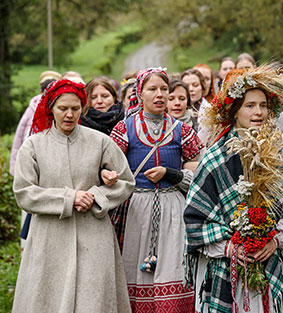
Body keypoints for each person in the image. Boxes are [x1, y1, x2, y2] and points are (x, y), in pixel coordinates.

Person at [184, 65, 283, 313]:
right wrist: (231, 247)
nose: (258, 112)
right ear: (235, 111)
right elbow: (195, 221)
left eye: (263, 105)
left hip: (271, 259)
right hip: (227, 266)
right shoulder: (214, 159)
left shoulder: (279, 156)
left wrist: (274, 239)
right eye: (250, 105)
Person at [12, 79, 135, 313]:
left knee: (94, 300)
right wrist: (69, 198)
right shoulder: (33, 146)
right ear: (50, 109)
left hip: (94, 236)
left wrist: (97, 194)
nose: (69, 114)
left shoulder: (100, 141)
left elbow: (126, 181)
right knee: (48, 299)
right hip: (49, 238)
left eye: (75, 109)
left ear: (83, 108)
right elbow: (24, 193)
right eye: (63, 108)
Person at [110, 67, 204, 313]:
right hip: (135, 211)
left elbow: (199, 172)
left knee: (172, 267)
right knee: (133, 267)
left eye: (164, 89)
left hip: (173, 209)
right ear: (140, 93)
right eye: (152, 89)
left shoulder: (181, 130)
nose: (160, 95)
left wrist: (173, 175)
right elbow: (109, 167)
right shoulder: (124, 129)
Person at [10, 70, 61, 176]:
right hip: (29, 156)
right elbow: (19, 137)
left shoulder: (60, 109)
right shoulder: (32, 107)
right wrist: (14, 166)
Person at [181, 68, 211, 142]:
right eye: (187, 86)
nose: (191, 89)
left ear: (202, 87)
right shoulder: (174, 109)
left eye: (195, 85)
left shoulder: (211, 110)